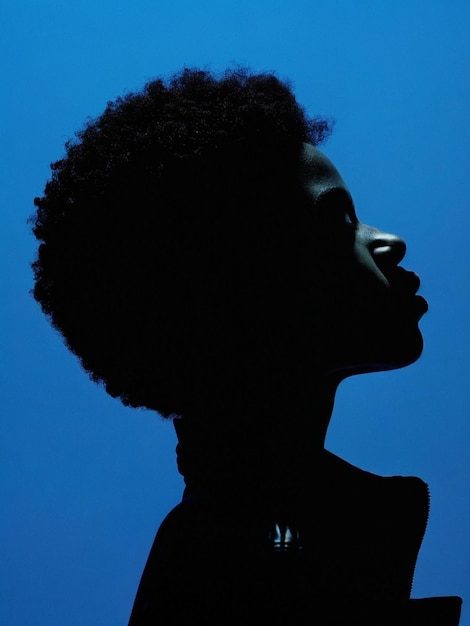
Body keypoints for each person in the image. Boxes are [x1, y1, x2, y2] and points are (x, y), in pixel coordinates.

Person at [31, 68, 462, 625]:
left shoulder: (251, 530)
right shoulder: (235, 557)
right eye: (338, 221)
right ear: (238, 276)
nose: (389, 241)